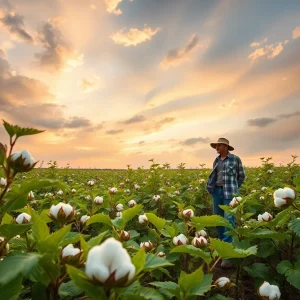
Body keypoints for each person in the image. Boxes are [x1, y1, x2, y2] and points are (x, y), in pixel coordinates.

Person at [206, 137, 245, 268]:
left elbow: (241, 176)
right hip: (217, 192)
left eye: (219, 145)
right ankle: (223, 246)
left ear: (226, 147)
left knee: (229, 221)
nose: (217, 148)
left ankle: (227, 256)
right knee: (218, 219)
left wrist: (234, 188)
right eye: (216, 146)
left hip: (230, 193)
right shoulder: (216, 160)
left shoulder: (235, 159)